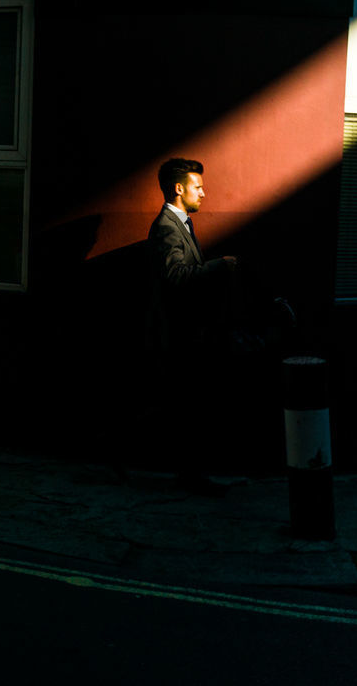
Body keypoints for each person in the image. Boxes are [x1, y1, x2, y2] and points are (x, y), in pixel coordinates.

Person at [145, 158, 240, 496]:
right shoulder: (167, 227)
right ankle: (191, 478)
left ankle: (192, 475)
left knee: (189, 407)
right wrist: (219, 266)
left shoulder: (180, 223)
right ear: (179, 188)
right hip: (180, 337)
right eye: (198, 186)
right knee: (188, 409)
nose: (204, 192)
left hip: (188, 334)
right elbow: (176, 277)